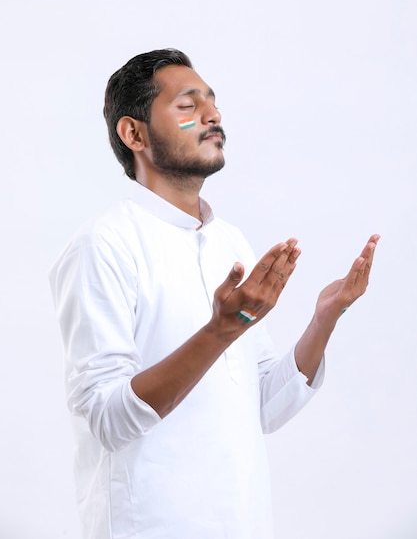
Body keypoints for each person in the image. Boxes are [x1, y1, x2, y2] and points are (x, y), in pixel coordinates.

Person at [49, 48, 379, 539]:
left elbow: (264, 405)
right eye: (187, 105)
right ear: (133, 133)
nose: (213, 115)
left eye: (213, 102)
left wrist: (323, 320)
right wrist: (223, 329)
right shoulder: (103, 244)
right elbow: (107, 419)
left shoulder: (229, 241)